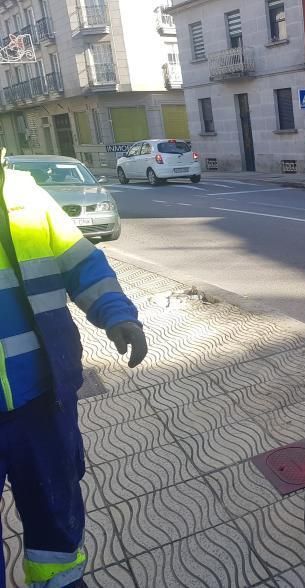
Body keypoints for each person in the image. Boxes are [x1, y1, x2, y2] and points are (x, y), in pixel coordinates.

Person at [0, 156, 147, 587]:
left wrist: (117, 313)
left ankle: (60, 580)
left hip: (42, 398)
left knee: (55, 506)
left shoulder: (23, 194)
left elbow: (81, 262)